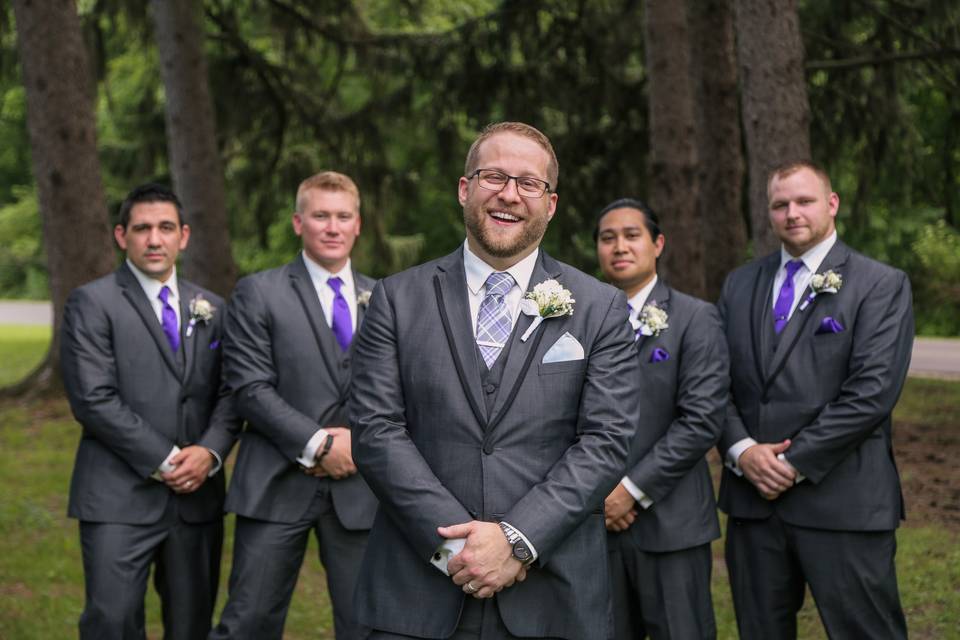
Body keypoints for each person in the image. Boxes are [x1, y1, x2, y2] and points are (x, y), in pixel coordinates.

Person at [348, 122, 642, 640]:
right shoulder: (396, 300)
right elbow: (376, 432)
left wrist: (517, 539)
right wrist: (460, 549)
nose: (509, 194)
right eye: (494, 177)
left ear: (550, 204)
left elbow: (605, 441)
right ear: (466, 189)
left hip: (554, 594)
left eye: (529, 183)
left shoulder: (600, 309)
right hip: (417, 592)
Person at [717, 161, 914, 639]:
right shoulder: (739, 284)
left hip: (843, 502)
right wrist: (742, 450)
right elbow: (712, 383)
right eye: (780, 204)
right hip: (754, 507)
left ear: (831, 204)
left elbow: (871, 393)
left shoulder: (880, 284)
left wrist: (793, 461)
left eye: (804, 201)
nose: (792, 213)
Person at [60, 183, 240, 640]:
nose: (154, 239)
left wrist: (210, 453)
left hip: (197, 499)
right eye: (142, 229)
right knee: (112, 623)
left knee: (191, 625)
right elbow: (92, 399)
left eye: (165, 228)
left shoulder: (213, 308)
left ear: (184, 235)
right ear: (122, 236)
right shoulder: (91, 303)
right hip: (118, 497)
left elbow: (232, 393)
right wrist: (167, 461)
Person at [210, 171, 377, 640]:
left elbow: (400, 393)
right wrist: (320, 442)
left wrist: (358, 445)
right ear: (297, 222)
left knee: (368, 623)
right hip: (276, 480)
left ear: (357, 224)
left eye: (342, 216)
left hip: (360, 488)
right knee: (249, 621)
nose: (332, 226)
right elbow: (248, 386)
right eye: (320, 215)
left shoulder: (385, 296)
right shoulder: (257, 292)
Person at [596, 199, 728, 639]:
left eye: (632, 235)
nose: (619, 246)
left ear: (658, 244)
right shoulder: (579, 319)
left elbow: (701, 420)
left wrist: (629, 492)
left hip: (672, 523)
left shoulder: (696, 319)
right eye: (607, 237)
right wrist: (598, 495)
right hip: (595, 523)